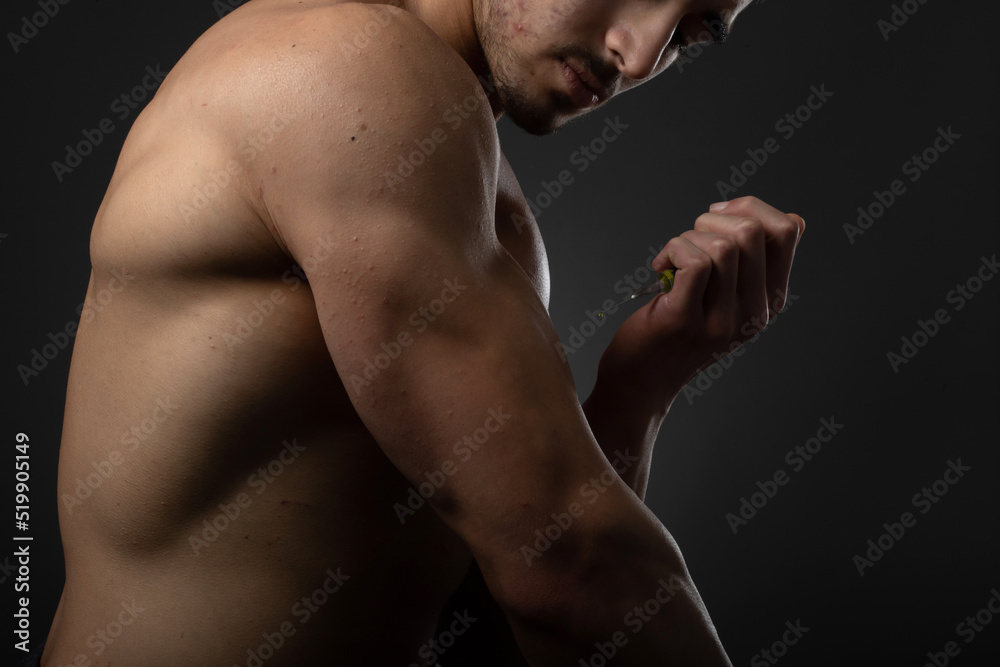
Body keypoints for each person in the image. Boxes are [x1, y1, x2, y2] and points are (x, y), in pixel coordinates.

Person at [36, 0, 804, 664]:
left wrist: (643, 383)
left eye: (695, 28)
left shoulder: (474, 191)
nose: (638, 55)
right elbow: (569, 567)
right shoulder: (350, 74)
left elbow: (486, 635)